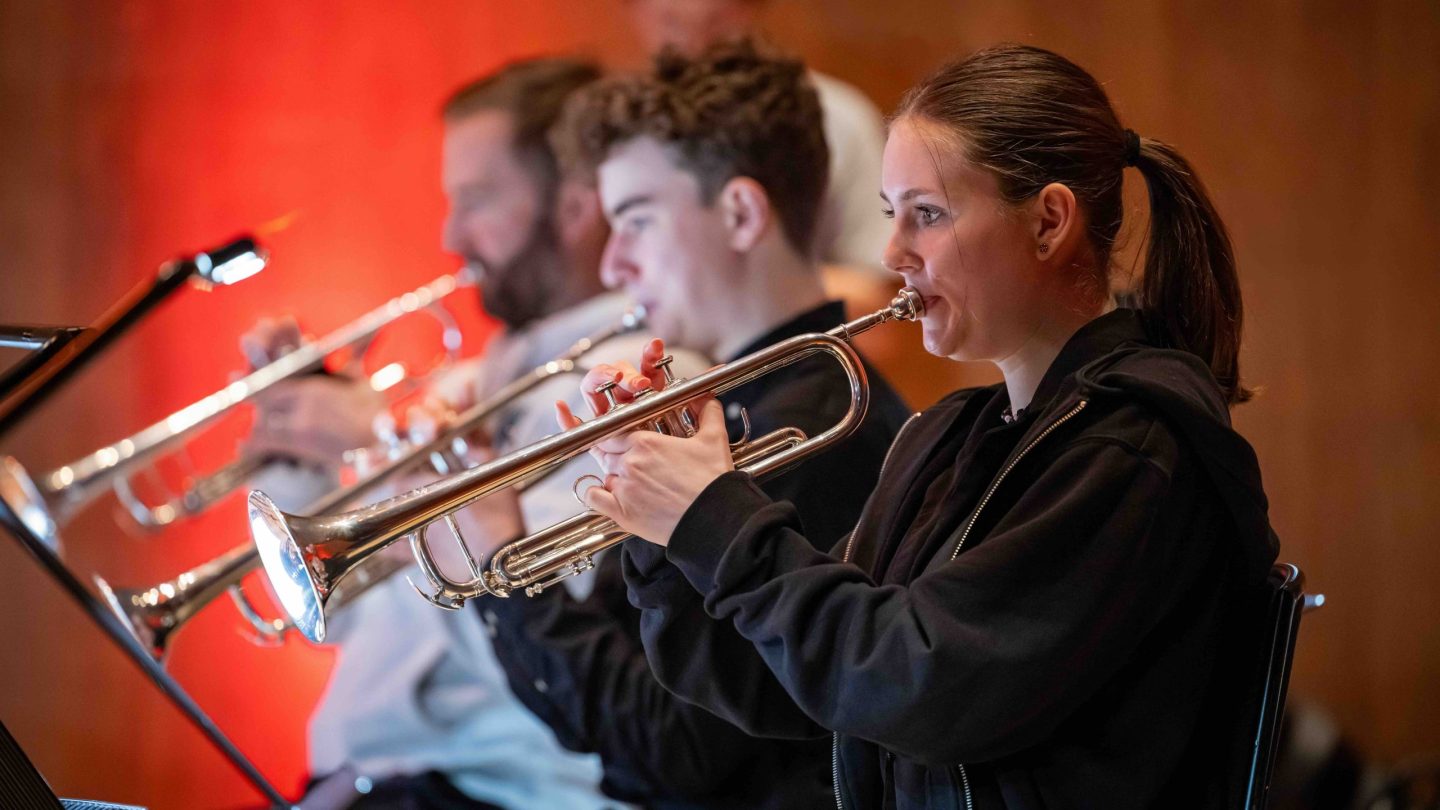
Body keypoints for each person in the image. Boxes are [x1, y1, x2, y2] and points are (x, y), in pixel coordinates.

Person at [579, 44, 1281, 809]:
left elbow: (920, 685)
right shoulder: (952, 435)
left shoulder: (1132, 444)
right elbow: (789, 684)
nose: (892, 254)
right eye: (892, 214)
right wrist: (666, 525)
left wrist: (716, 516)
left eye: (929, 214)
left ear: (1049, 222)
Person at [476, 40, 911, 809]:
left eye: (637, 221)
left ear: (740, 213)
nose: (613, 267)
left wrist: (499, 560)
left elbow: (670, 749)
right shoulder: (731, 410)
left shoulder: (821, 427)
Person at [245, 58, 640, 809]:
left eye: (478, 199)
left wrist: (382, 441)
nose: (451, 233)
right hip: (361, 783)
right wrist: (296, 444)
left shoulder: (629, 384)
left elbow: (539, 633)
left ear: (577, 204)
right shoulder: (472, 381)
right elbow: (333, 609)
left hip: (492, 791)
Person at [623, 0, 891, 275]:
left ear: (752, 11)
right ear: (635, 13)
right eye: (670, 22)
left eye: (717, 22)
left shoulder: (838, 120)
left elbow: (877, 276)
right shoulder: (624, 130)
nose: (694, 44)